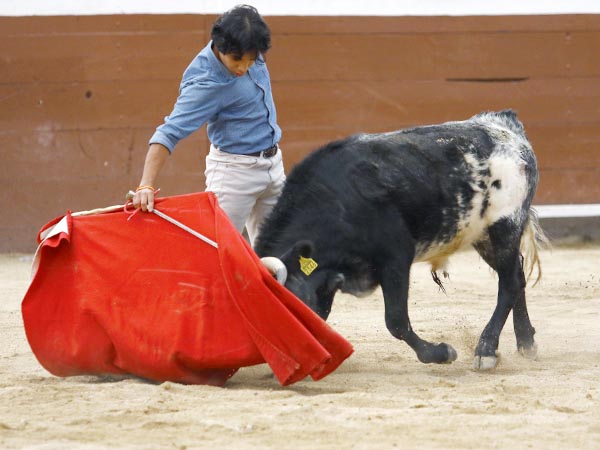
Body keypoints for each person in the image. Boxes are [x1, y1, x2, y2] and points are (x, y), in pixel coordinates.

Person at [132, 4, 285, 245]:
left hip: (274, 165)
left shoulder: (250, 46)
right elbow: (168, 132)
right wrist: (145, 185)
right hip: (235, 174)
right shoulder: (205, 83)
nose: (243, 68)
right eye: (237, 60)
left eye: (251, 60)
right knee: (218, 251)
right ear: (220, 45)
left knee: (279, 249)